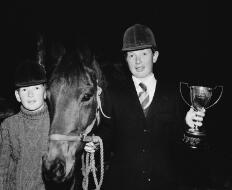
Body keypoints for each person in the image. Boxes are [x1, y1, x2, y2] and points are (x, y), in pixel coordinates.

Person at [85, 24, 205, 190]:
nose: (138, 61)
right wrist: (96, 143)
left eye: (143, 53)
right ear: (126, 59)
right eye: (131, 55)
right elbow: (107, 132)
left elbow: (179, 144)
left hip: (163, 182)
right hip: (123, 182)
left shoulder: (173, 93)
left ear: (155, 56)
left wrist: (186, 123)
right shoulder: (113, 93)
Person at [0, 60, 50, 190]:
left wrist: (91, 146)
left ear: (45, 92)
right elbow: (1, 169)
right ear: (17, 96)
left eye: (36, 88)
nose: (30, 94)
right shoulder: (8, 125)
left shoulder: (56, 122)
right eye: (24, 90)